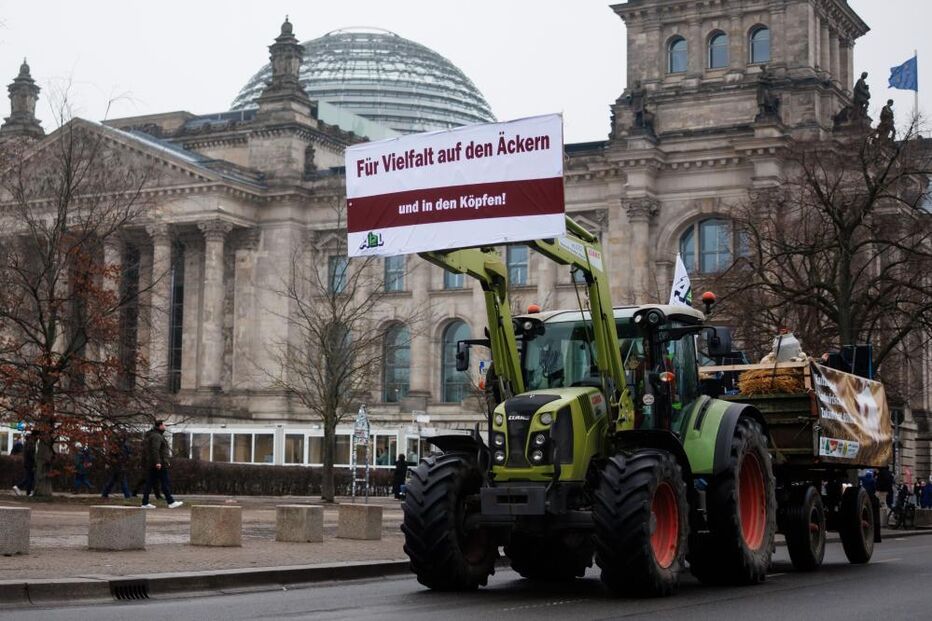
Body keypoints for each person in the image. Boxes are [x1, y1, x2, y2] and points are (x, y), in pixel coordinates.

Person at [141, 420, 183, 509]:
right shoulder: (157, 436)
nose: (165, 426)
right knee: (165, 482)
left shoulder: (155, 435)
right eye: (164, 425)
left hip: (154, 463)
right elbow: (155, 450)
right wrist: (158, 462)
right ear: (160, 426)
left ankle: (145, 502)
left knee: (149, 483)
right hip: (159, 464)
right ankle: (171, 501)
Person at [101, 434, 132, 499]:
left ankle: (105, 493)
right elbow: (127, 456)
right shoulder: (124, 447)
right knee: (122, 481)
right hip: (120, 465)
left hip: (117, 465)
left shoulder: (118, 447)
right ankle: (127, 495)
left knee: (112, 480)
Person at [12, 432, 36, 496]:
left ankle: (27, 492)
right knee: (30, 478)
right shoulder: (31, 443)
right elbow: (31, 455)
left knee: (29, 478)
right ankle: (19, 487)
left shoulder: (26, 443)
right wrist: (35, 463)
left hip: (27, 463)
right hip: (30, 464)